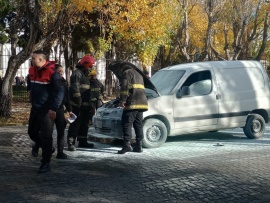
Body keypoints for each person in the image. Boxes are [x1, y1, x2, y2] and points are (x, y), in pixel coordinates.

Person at [28, 50, 65, 173]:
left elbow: (60, 91)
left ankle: (46, 163)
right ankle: (48, 148)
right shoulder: (32, 70)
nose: (31, 60)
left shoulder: (52, 73)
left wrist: (53, 108)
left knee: (46, 136)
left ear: (40, 59)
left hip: (47, 110)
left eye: (33, 58)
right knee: (32, 133)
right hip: (35, 108)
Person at [108, 61, 148, 154]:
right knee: (138, 124)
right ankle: (139, 146)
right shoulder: (139, 74)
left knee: (126, 124)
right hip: (142, 103)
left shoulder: (127, 73)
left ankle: (126, 145)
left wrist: (122, 101)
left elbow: (125, 88)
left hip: (132, 103)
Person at [67, 54, 96, 151]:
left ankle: (83, 141)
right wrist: (79, 101)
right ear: (85, 64)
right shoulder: (77, 74)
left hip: (86, 105)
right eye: (90, 66)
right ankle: (71, 142)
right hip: (77, 105)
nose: (91, 68)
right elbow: (75, 89)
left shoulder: (86, 75)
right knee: (75, 123)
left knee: (85, 124)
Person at [54, 64, 72, 159]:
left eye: (62, 71)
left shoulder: (64, 82)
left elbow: (67, 98)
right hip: (51, 110)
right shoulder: (51, 81)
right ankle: (38, 146)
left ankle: (60, 152)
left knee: (61, 131)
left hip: (60, 109)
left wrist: (70, 110)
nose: (61, 73)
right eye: (59, 71)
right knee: (46, 132)